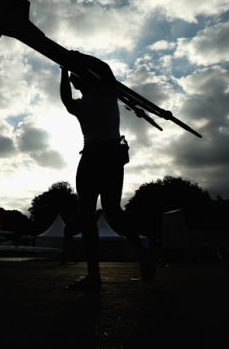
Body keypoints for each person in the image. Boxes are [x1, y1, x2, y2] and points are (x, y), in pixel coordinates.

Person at [60, 51, 155, 292]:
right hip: (91, 155)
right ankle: (94, 276)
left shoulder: (107, 91)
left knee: (112, 210)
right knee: (87, 215)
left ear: (86, 79)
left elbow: (104, 67)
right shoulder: (81, 104)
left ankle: (142, 253)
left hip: (109, 155)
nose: (74, 80)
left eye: (76, 77)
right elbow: (66, 99)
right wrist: (63, 69)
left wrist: (77, 56)